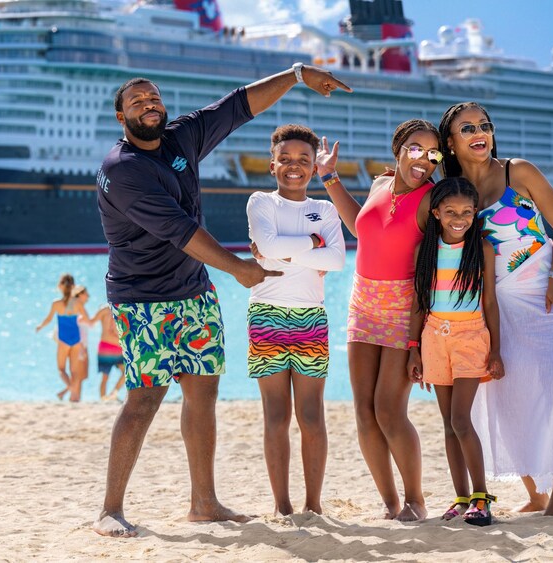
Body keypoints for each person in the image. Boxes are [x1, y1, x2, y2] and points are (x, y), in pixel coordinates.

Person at [92, 65, 351, 537]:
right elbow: (178, 229)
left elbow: (236, 106)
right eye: (136, 101)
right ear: (119, 116)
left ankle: (204, 503)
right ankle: (111, 507)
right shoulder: (122, 169)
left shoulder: (179, 138)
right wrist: (239, 268)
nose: (149, 104)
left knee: (203, 391)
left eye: (154, 98)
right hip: (142, 299)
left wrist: (294, 75)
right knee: (145, 397)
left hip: (194, 291)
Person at [438, 102, 553, 516]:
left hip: (550, 287)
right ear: (450, 143)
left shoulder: (516, 171)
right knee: (506, 393)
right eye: (466, 128)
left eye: (483, 124)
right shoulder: (452, 191)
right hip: (500, 302)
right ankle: (533, 493)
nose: (478, 131)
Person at [317, 119, 441, 521]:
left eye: (433, 153)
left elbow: (431, 269)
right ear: (398, 148)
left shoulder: (430, 198)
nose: (424, 159)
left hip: (404, 308)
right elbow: (360, 228)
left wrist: (417, 339)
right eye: (416, 148)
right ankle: (390, 504)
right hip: (363, 304)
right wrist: (330, 177)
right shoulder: (379, 185)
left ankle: (416, 500)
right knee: (364, 411)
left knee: (389, 410)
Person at [246, 124, 346, 516]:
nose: (294, 166)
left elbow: (337, 260)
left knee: (310, 415)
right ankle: (282, 505)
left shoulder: (324, 209)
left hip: (311, 317)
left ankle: (313, 504)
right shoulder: (261, 202)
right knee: (275, 415)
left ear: (312, 167)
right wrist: (313, 244)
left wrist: (283, 254)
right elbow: (266, 247)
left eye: (304, 160)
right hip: (266, 315)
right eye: (285, 159)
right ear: (272, 165)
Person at [406, 178, 505, 526]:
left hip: (470, 337)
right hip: (434, 336)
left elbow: (490, 302)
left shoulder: (483, 249)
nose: (458, 217)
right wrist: (413, 349)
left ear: (475, 211)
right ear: (436, 213)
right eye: (450, 212)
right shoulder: (425, 251)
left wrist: (496, 350)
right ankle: (461, 498)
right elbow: (419, 303)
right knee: (448, 424)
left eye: (466, 211)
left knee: (461, 419)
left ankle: (481, 498)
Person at [35, 274, 88, 401]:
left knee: (61, 369)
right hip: (76, 339)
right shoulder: (77, 303)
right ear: (74, 287)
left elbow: (48, 319)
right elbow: (86, 318)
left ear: (60, 286)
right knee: (74, 372)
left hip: (63, 340)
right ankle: (74, 397)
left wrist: (40, 326)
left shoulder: (56, 303)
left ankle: (70, 388)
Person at [89, 304, 126, 401]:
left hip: (113, 347)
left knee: (123, 373)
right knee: (109, 376)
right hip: (111, 347)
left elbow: (91, 321)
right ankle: (106, 397)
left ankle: (111, 395)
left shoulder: (107, 309)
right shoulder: (112, 309)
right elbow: (91, 321)